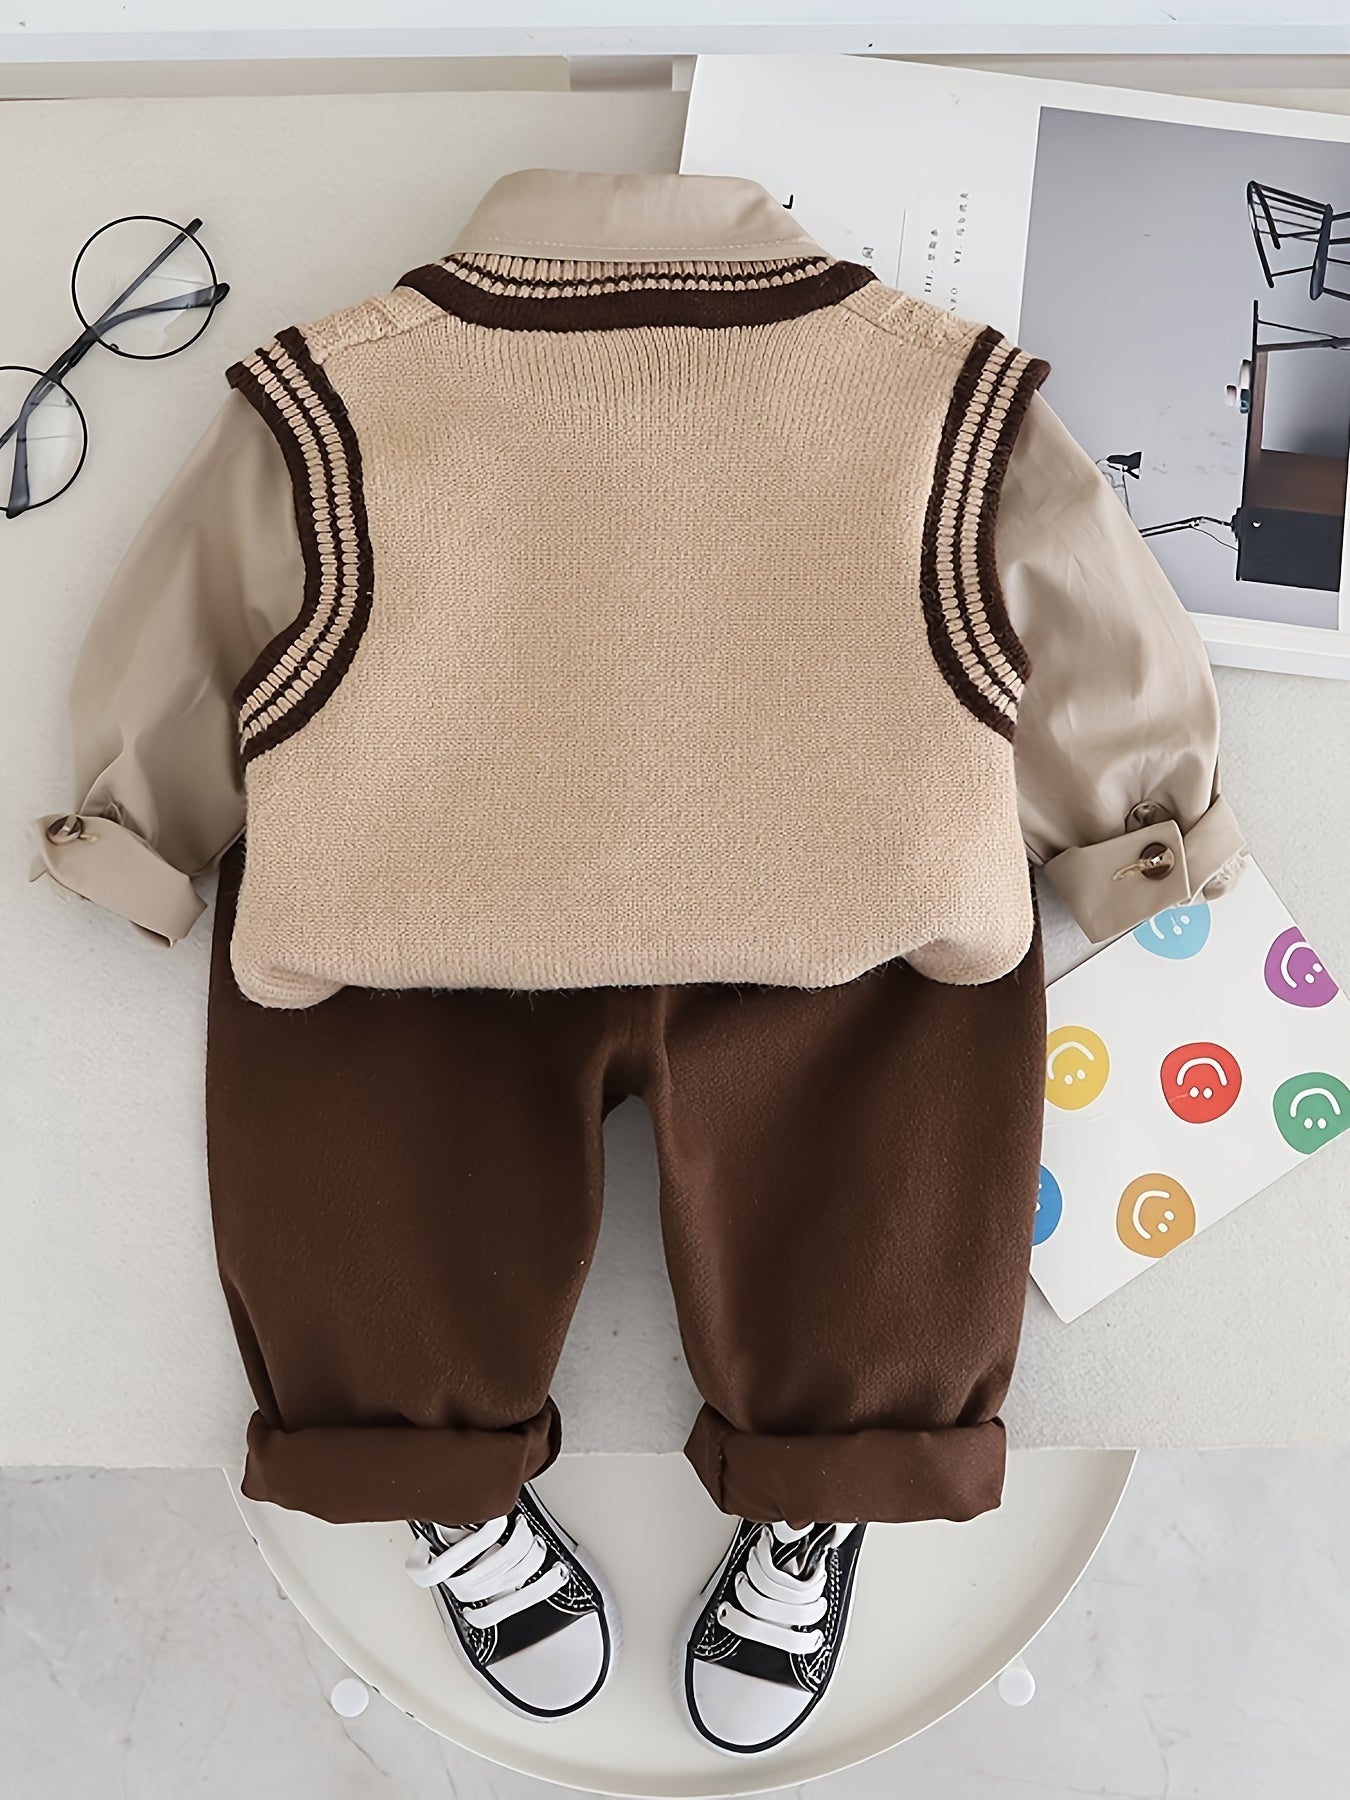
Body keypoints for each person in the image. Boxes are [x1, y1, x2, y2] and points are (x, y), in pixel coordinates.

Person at [30, 168, 1244, 1756]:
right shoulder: (946, 401)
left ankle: (428, 1460)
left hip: (423, 919)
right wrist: (1139, 828)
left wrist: (140, 833)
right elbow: (1088, 618)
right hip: (832, 917)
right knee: (889, 1112)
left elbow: (189, 622)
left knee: (365, 1135)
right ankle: (832, 1469)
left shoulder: (328, 402)